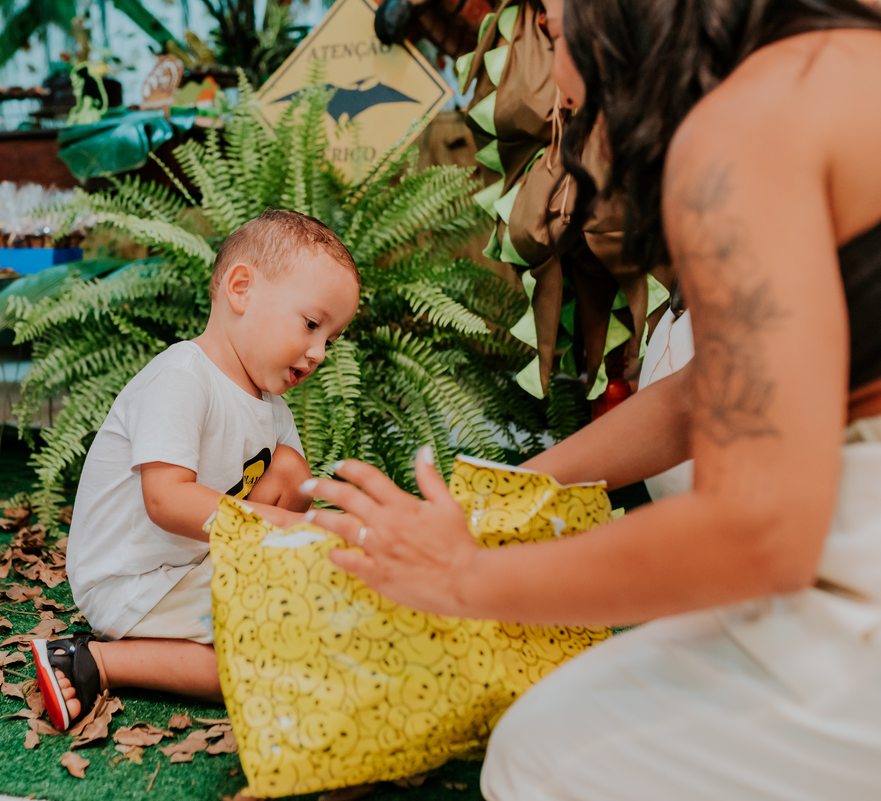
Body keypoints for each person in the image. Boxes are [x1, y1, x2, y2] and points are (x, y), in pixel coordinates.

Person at [301, 0, 881, 798]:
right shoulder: (835, 58)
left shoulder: (742, 131)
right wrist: (497, 495)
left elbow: (760, 530)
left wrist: (464, 578)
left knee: (541, 754)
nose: (541, 75)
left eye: (548, 33)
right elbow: (704, 392)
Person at [33, 209, 360, 731]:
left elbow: (294, 493)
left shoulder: (270, 406)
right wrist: (293, 533)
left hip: (191, 562)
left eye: (332, 339)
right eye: (312, 324)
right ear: (240, 288)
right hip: (131, 581)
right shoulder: (182, 378)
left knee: (292, 470)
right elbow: (166, 500)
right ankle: (91, 660)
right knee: (260, 666)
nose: (319, 352)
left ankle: (258, 593)